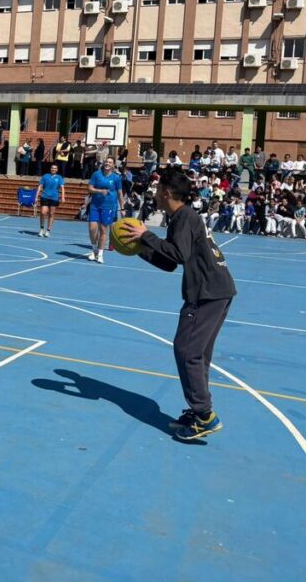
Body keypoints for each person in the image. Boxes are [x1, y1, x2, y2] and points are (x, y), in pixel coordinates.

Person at [118, 168, 235, 441]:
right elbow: (170, 263)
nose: (155, 194)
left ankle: (204, 414)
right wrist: (140, 249)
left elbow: (178, 254)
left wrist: (146, 236)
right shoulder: (183, 218)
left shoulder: (183, 217)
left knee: (187, 350)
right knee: (198, 352)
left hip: (207, 291)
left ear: (167, 193)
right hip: (217, 289)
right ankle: (199, 410)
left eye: (158, 190)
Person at [86, 155, 124, 264]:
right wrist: (100, 191)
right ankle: (94, 250)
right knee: (92, 228)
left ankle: (100, 254)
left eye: (110, 162)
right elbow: (89, 188)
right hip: (95, 205)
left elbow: (120, 193)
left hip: (108, 206)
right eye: (106, 162)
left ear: (113, 165)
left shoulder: (116, 178)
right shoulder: (96, 175)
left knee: (103, 230)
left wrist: (122, 207)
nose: (107, 164)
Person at [35, 163, 65, 238]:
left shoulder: (59, 177)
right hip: (44, 196)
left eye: (55, 168)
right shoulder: (45, 176)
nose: (53, 169)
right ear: (50, 169)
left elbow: (62, 187)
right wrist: (36, 196)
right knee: (43, 212)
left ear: (57, 170)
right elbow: (40, 186)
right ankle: (42, 228)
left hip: (54, 197)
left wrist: (63, 197)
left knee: (51, 214)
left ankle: (48, 230)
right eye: (52, 168)